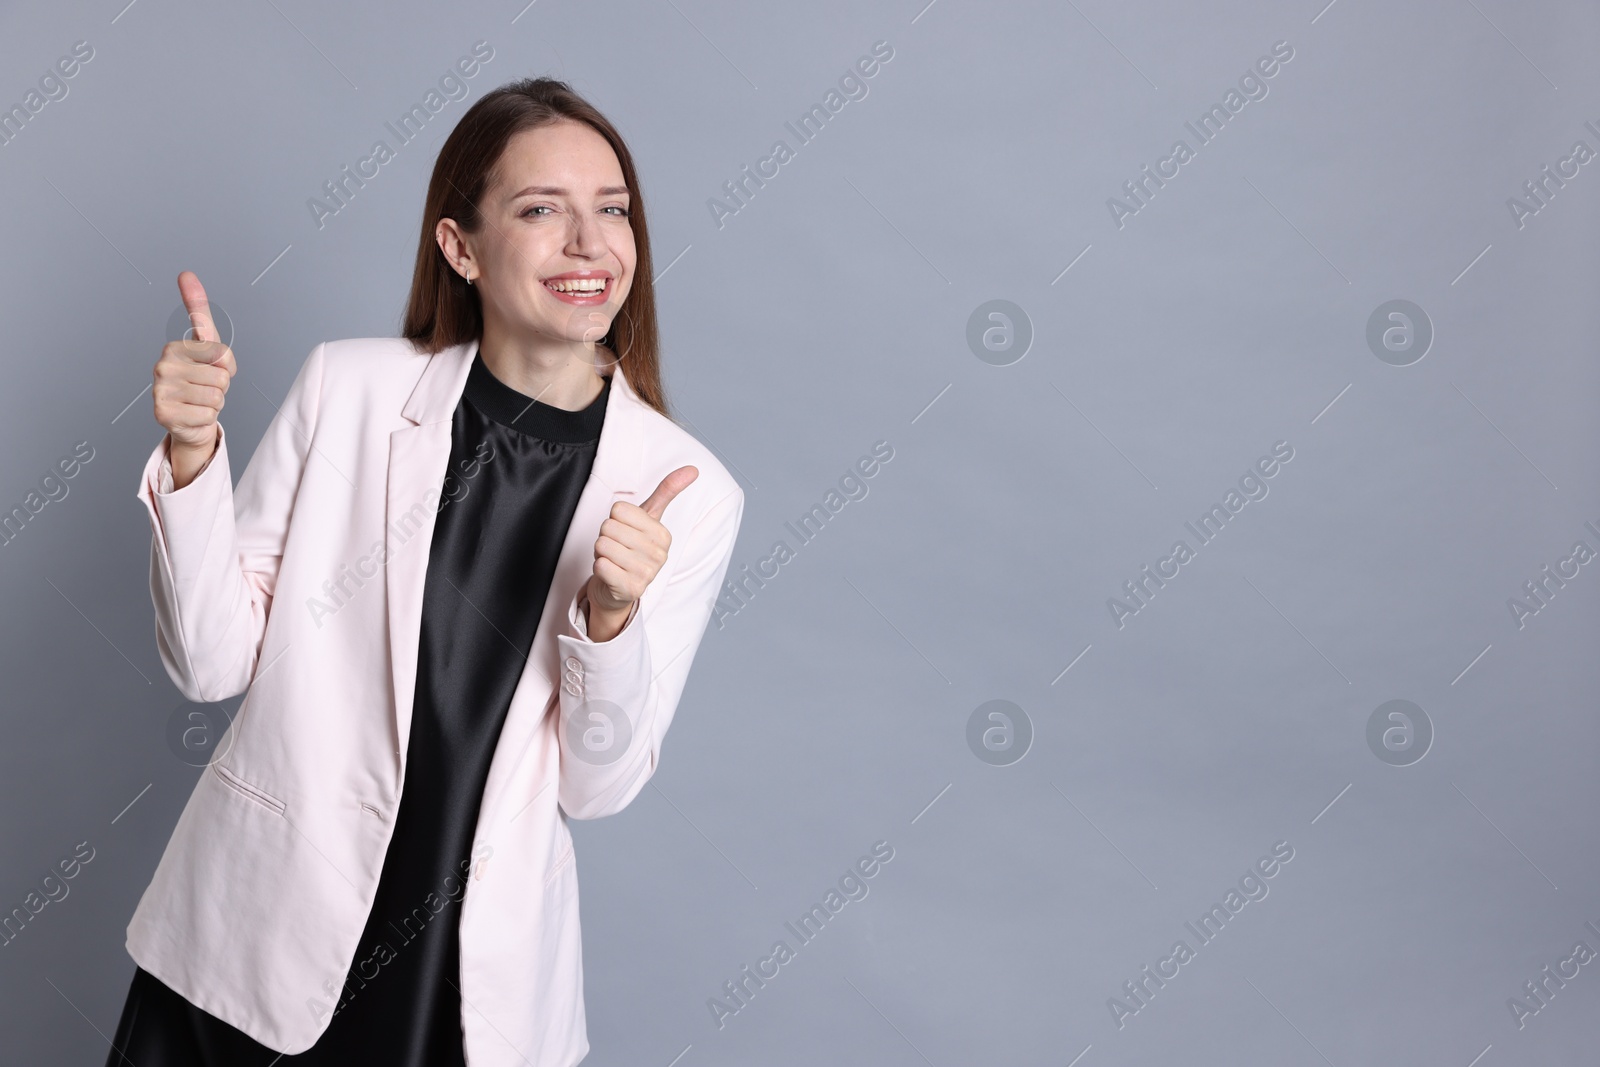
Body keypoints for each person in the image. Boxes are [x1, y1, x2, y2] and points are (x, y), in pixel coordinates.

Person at [104, 77, 744, 1067]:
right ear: (460, 246)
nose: (591, 243)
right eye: (542, 210)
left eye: (611, 210)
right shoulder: (349, 389)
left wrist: (611, 617)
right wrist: (193, 458)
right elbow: (209, 661)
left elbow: (597, 786)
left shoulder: (687, 490)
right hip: (254, 937)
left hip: (462, 985)